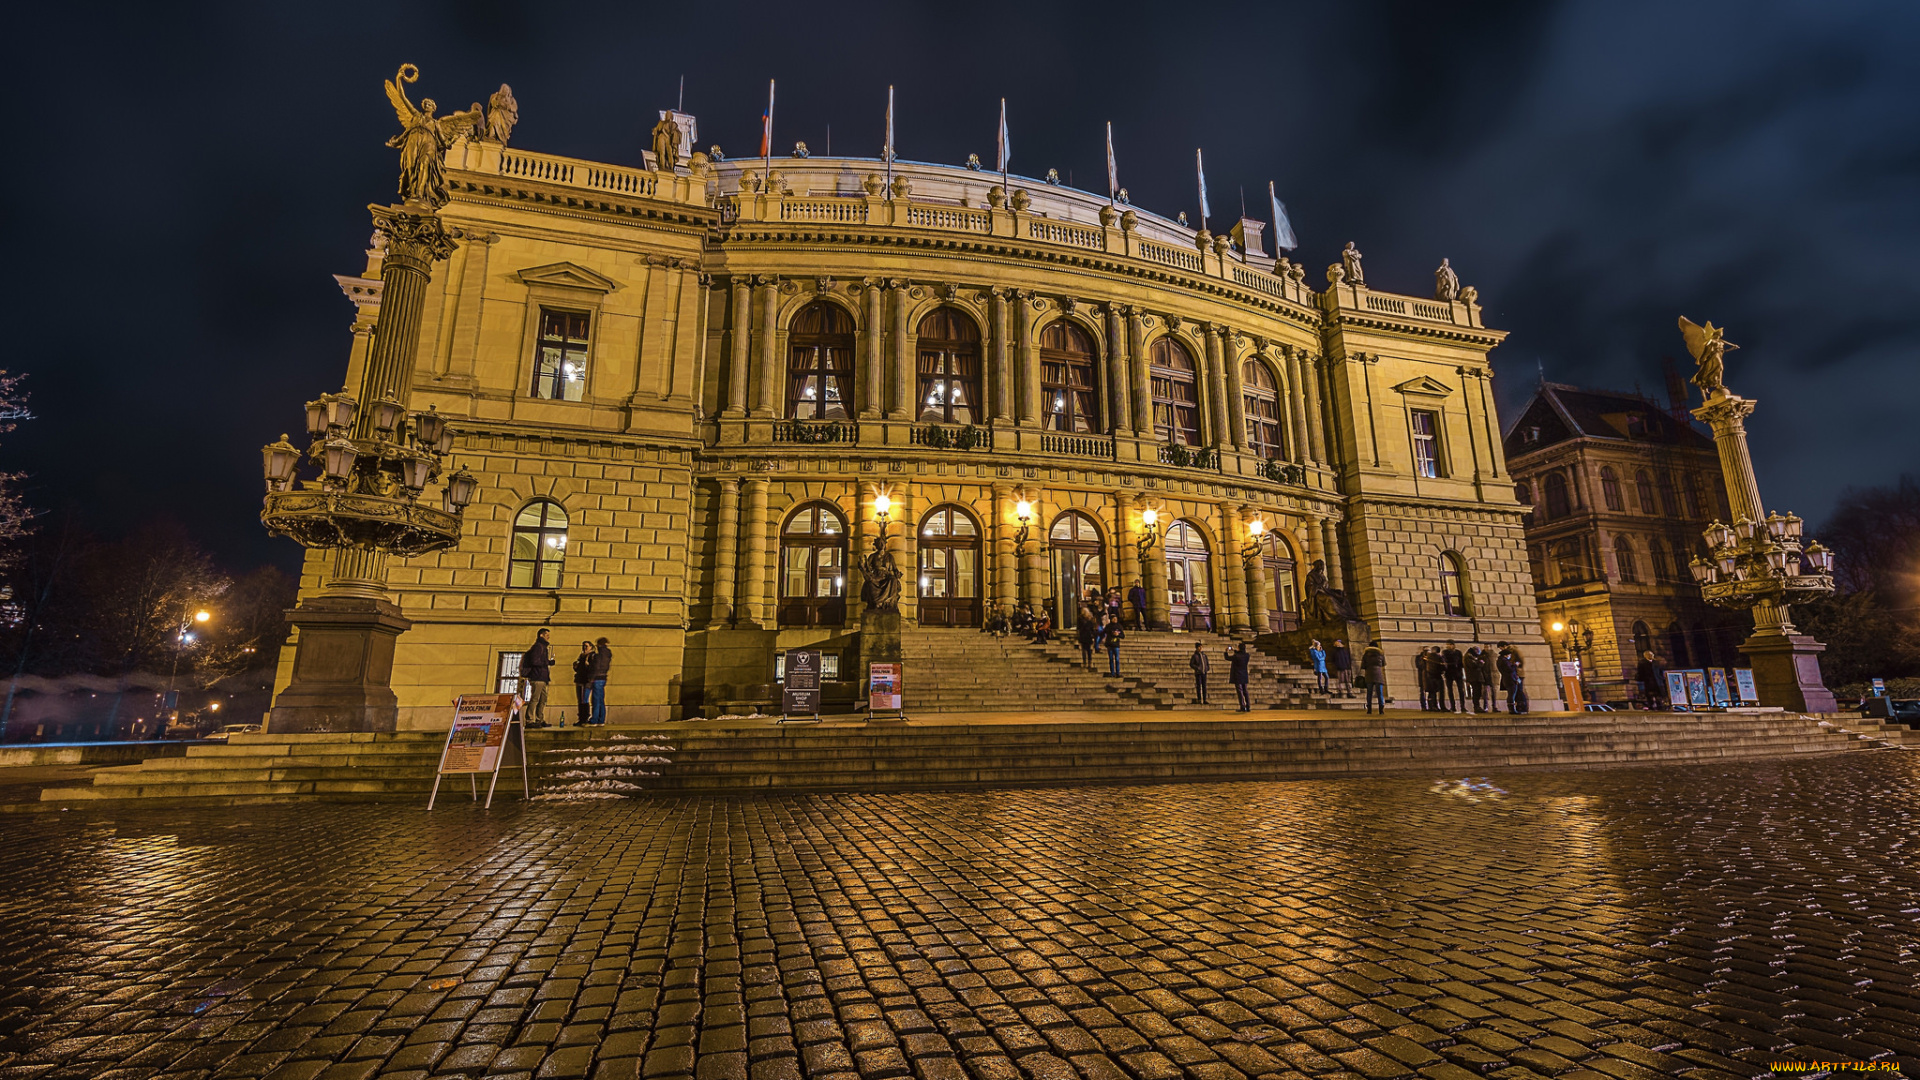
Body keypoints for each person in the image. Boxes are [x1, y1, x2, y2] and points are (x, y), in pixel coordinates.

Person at [520, 628, 553, 728]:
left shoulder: (542, 647)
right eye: (546, 635)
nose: (548, 637)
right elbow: (535, 661)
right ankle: (529, 720)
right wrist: (548, 662)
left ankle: (540, 719)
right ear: (541, 635)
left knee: (543, 699)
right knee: (535, 699)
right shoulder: (538, 647)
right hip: (537, 676)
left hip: (542, 677)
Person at [587, 636, 613, 725]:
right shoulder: (608, 653)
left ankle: (594, 719)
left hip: (597, 678)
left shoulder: (599, 655)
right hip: (603, 678)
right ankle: (601, 719)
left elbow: (596, 667)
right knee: (601, 699)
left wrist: (591, 678)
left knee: (596, 700)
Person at [571, 640, 595, 727]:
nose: (584, 648)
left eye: (586, 646)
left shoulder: (591, 656)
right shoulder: (581, 656)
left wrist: (587, 665)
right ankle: (581, 717)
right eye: (583, 646)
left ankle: (584, 718)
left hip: (586, 681)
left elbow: (592, 669)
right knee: (580, 700)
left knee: (584, 699)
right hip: (580, 680)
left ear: (591, 647)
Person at [1362, 640, 1388, 715]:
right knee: (1380, 693)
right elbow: (1383, 664)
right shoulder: (1380, 654)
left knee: (1369, 692)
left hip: (1369, 674)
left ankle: (1369, 709)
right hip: (1378, 674)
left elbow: (1363, 665)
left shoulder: (1366, 654)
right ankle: (1381, 709)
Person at [1442, 640, 1465, 713]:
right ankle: (1453, 706)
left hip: (1458, 673)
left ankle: (1463, 706)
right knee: (1450, 690)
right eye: (1447, 645)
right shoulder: (1445, 652)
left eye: (1449, 645)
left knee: (1461, 690)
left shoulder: (1458, 652)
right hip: (1449, 673)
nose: (1448, 646)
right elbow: (1445, 661)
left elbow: (1461, 662)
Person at [1229, 643, 1253, 712]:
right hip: (1244, 675)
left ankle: (1242, 706)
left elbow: (1227, 658)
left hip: (1237, 675)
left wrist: (1226, 652)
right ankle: (1248, 706)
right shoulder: (1247, 655)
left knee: (1240, 691)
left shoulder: (1236, 656)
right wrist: (1235, 651)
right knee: (1245, 691)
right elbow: (1241, 655)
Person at [1465, 646, 1488, 713]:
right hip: (1474, 678)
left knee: (1477, 692)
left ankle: (1477, 706)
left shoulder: (1470, 656)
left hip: (1475, 677)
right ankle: (1476, 707)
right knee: (1476, 692)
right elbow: (1474, 666)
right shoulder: (1469, 657)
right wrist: (1481, 663)